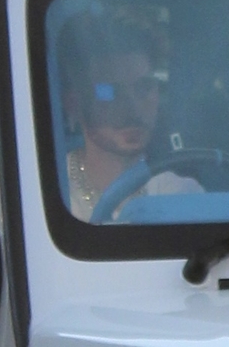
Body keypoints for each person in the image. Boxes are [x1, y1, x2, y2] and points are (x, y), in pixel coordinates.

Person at [53, 12, 201, 222]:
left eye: (144, 87)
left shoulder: (179, 193)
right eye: (110, 92)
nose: (133, 108)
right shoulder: (48, 193)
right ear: (73, 104)